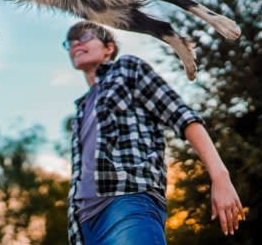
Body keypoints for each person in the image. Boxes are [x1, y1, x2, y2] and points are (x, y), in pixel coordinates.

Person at [64, 21, 244, 245]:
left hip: (128, 204)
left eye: (84, 37)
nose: (75, 44)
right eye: (70, 42)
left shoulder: (127, 69)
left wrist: (220, 177)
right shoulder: (81, 107)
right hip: (82, 226)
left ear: (108, 48)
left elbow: (183, 117)